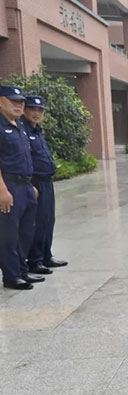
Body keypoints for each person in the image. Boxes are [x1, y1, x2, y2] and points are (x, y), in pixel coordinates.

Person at [0, 86, 43, 290]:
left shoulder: (20, 126)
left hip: (25, 186)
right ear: (1, 101)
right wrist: (2, 190)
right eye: (13, 101)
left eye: (20, 102)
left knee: (26, 231)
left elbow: (25, 158)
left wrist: (31, 185)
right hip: (8, 186)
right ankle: (11, 275)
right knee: (9, 233)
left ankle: (22, 270)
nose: (18, 105)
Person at [22, 95, 68, 274]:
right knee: (38, 222)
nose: (36, 113)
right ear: (25, 110)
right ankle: (35, 260)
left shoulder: (37, 131)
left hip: (47, 182)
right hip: (35, 182)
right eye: (32, 109)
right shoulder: (22, 130)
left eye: (40, 110)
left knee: (48, 220)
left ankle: (46, 255)